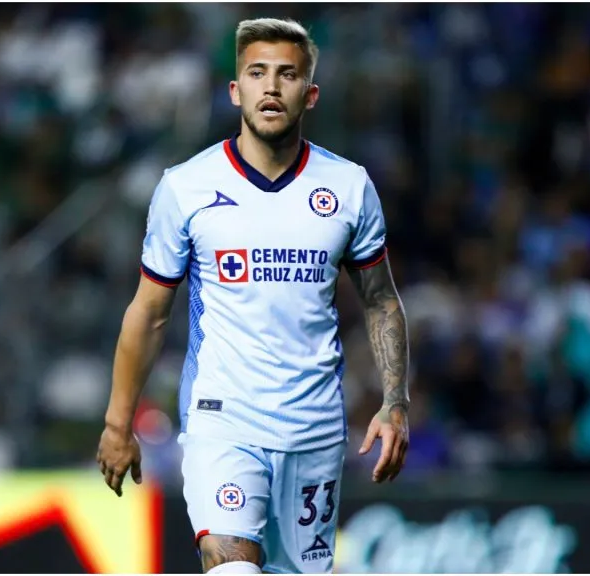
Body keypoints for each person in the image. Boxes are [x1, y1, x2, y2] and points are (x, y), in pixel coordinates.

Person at [96, 18, 410, 575]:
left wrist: (394, 402)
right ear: (235, 91)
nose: (271, 87)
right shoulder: (186, 187)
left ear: (309, 94)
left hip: (314, 429)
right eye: (257, 73)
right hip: (223, 419)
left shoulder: (348, 187)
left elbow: (381, 300)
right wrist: (119, 424)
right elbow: (148, 312)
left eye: (287, 75)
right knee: (233, 568)